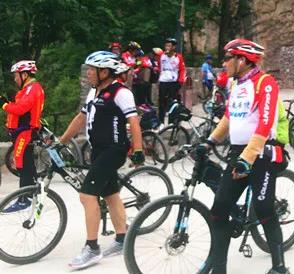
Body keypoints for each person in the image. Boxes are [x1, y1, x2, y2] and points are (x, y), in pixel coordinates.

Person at [202, 39, 291, 274]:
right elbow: (229, 118)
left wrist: (247, 158)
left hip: (261, 153)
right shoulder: (236, 85)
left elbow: (265, 122)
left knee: (264, 209)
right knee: (219, 211)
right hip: (238, 152)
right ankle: (219, 270)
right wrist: (209, 142)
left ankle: (279, 267)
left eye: (227, 58)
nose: (223, 63)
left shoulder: (265, 83)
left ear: (241, 60)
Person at [58, 51, 144, 269]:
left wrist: (138, 149)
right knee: (110, 194)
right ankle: (122, 239)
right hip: (97, 150)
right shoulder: (94, 92)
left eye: (91, 69)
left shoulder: (121, 92)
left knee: (87, 195)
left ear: (104, 72)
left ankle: (92, 248)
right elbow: (81, 118)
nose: (88, 73)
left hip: (113, 150)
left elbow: (134, 122)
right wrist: (61, 141)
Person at [1, 60, 45, 211]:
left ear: (25, 75)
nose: (15, 79)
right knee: (27, 164)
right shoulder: (29, 89)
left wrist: (4, 105)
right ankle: (33, 195)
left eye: (16, 75)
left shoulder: (32, 89)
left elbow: (20, 109)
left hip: (25, 133)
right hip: (22, 132)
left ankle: (24, 200)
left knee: (23, 165)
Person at [158, 37, 186, 123]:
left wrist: (180, 80)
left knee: (173, 102)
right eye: (166, 46)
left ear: (173, 47)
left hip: (173, 82)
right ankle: (161, 121)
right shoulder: (161, 56)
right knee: (162, 102)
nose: (167, 47)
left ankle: (172, 121)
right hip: (163, 81)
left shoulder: (178, 57)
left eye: (169, 46)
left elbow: (182, 69)